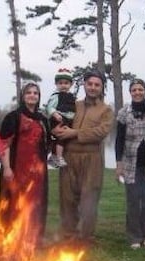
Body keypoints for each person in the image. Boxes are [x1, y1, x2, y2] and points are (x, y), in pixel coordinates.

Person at [53, 70, 114, 244]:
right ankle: (68, 234)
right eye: (90, 84)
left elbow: (101, 132)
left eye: (97, 85)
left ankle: (86, 236)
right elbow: (60, 120)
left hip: (91, 157)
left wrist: (75, 133)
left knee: (89, 197)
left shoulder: (106, 110)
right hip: (69, 156)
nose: (93, 87)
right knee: (67, 197)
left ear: (102, 88)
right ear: (85, 85)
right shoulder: (74, 104)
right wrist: (56, 129)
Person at [0, 82, 50, 247]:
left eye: (36, 93)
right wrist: (7, 168)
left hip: (37, 173)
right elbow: (4, 145)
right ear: (23, 95)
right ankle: (13, 238)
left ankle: (32, 238)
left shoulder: (43, 119)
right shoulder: (13, 117)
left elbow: (47, 144)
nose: (32, 95)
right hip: (16, 169)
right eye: (29, 92)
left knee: (34, 203)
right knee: (16, 202)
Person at [115, 79, 145, 249]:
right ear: (130, 92)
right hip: (130, 162)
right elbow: (119, 140)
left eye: (140, 89)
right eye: (134, 90)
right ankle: (134, 236)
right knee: (133, 201)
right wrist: (119, 164)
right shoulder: (124, 112)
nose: (137, 92)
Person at [46, 68, 76, 168]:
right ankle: (58, 157)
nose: (63, 85)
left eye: (66, 83)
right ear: (56, 84)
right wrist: (55, 114)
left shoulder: (71, 96)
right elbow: (50, 107)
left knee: (66, 138)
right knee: (61, 138)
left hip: (68, 120)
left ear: (71, 84)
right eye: (60, 83)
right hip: (59, 119)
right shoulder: (56, 96)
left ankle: (53, 156)